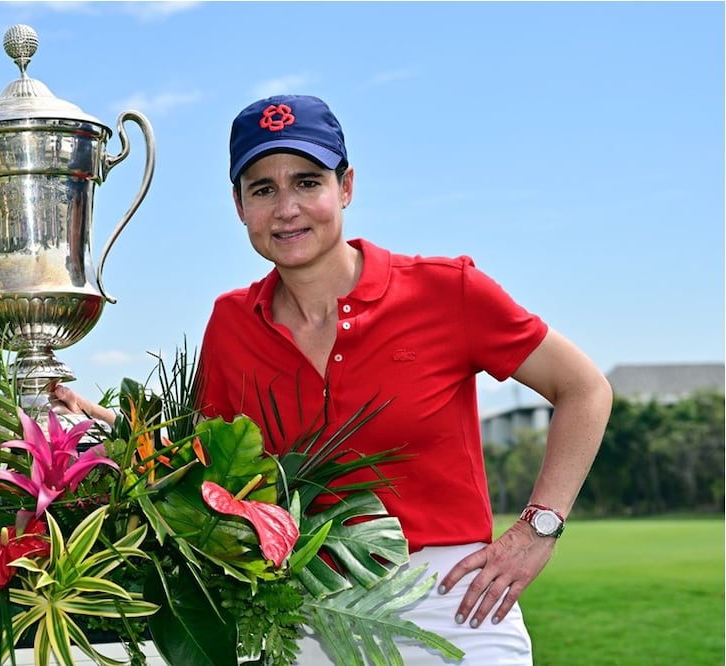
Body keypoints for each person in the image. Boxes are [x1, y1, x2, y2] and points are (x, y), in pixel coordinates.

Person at [52, 94, 613, 664]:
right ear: (239, 206)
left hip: (454, 604)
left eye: (307, 181)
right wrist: (117, 433)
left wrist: (537, 530)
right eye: (263, 189)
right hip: (301, 615)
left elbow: (585, 390)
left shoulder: (449, 291)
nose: (287, 208)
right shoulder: (230, 322)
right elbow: (213, 462)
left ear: (345, 187)